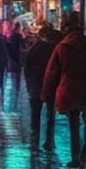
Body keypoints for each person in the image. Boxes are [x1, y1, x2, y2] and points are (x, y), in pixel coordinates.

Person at [41, 11, 86, 169]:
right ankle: (83, 158)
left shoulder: (62, 46)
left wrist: (47, 95)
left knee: (73, 124)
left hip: (69, 89)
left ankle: (76, 159)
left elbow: (52, 74)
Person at [24, 22, 60, 151]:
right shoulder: (55, 49)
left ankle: (35, 140)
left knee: (36, 114)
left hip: (36, 85)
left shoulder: (35, 48)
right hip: (51, 84)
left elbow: (27, 66)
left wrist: (29, 83)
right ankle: (49, 140)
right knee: (51, 114)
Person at [7, 25, 25, 95]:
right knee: (18, 74)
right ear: (18, 28)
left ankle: (14, 87)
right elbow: (23, 45)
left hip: (12, 57)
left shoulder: (11, 36)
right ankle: (17, 88)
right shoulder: (19, 36)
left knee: (13, 74)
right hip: (18, 57)